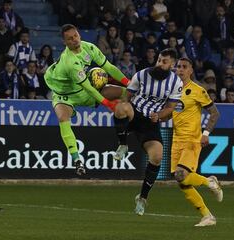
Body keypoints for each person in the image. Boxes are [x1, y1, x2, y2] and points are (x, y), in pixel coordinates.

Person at [44, 24, 130, 176]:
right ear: (65, 42)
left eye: (75, 35)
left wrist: (130, 84)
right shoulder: (69, 62)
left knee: (126, 93)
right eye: (70, 39)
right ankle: (77, 160)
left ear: (79, 35)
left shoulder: (89, 48)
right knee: (63, 118)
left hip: (82, 90)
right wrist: (108, 104)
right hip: (65, 95)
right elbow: (89, 88)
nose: (74, 40)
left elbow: (110, 68)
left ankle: (123, 143)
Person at [112, 48, 183, 216]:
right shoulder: (142, 74)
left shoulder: (176, 83)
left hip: (151, 123)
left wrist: (158, 116)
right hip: (134, 113)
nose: (159, 63)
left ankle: (142, 198)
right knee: (121, 108)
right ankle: (123, 145)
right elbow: (127, 97)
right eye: (159, 60)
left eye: (164, 62)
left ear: (172, 64)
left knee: (157, 157)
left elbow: (170, 108)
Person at [172, 57, 223, 227]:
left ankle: (210, 182)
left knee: (181, 174)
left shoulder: (197, 90)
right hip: (176, 139)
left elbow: (214, 113)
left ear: (190, 70)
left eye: (184, 67)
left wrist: (206, 133)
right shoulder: (171, 90)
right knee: (182, 182)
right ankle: (207, 216)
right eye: (178, 66)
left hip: (192, 139)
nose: (180, 69)